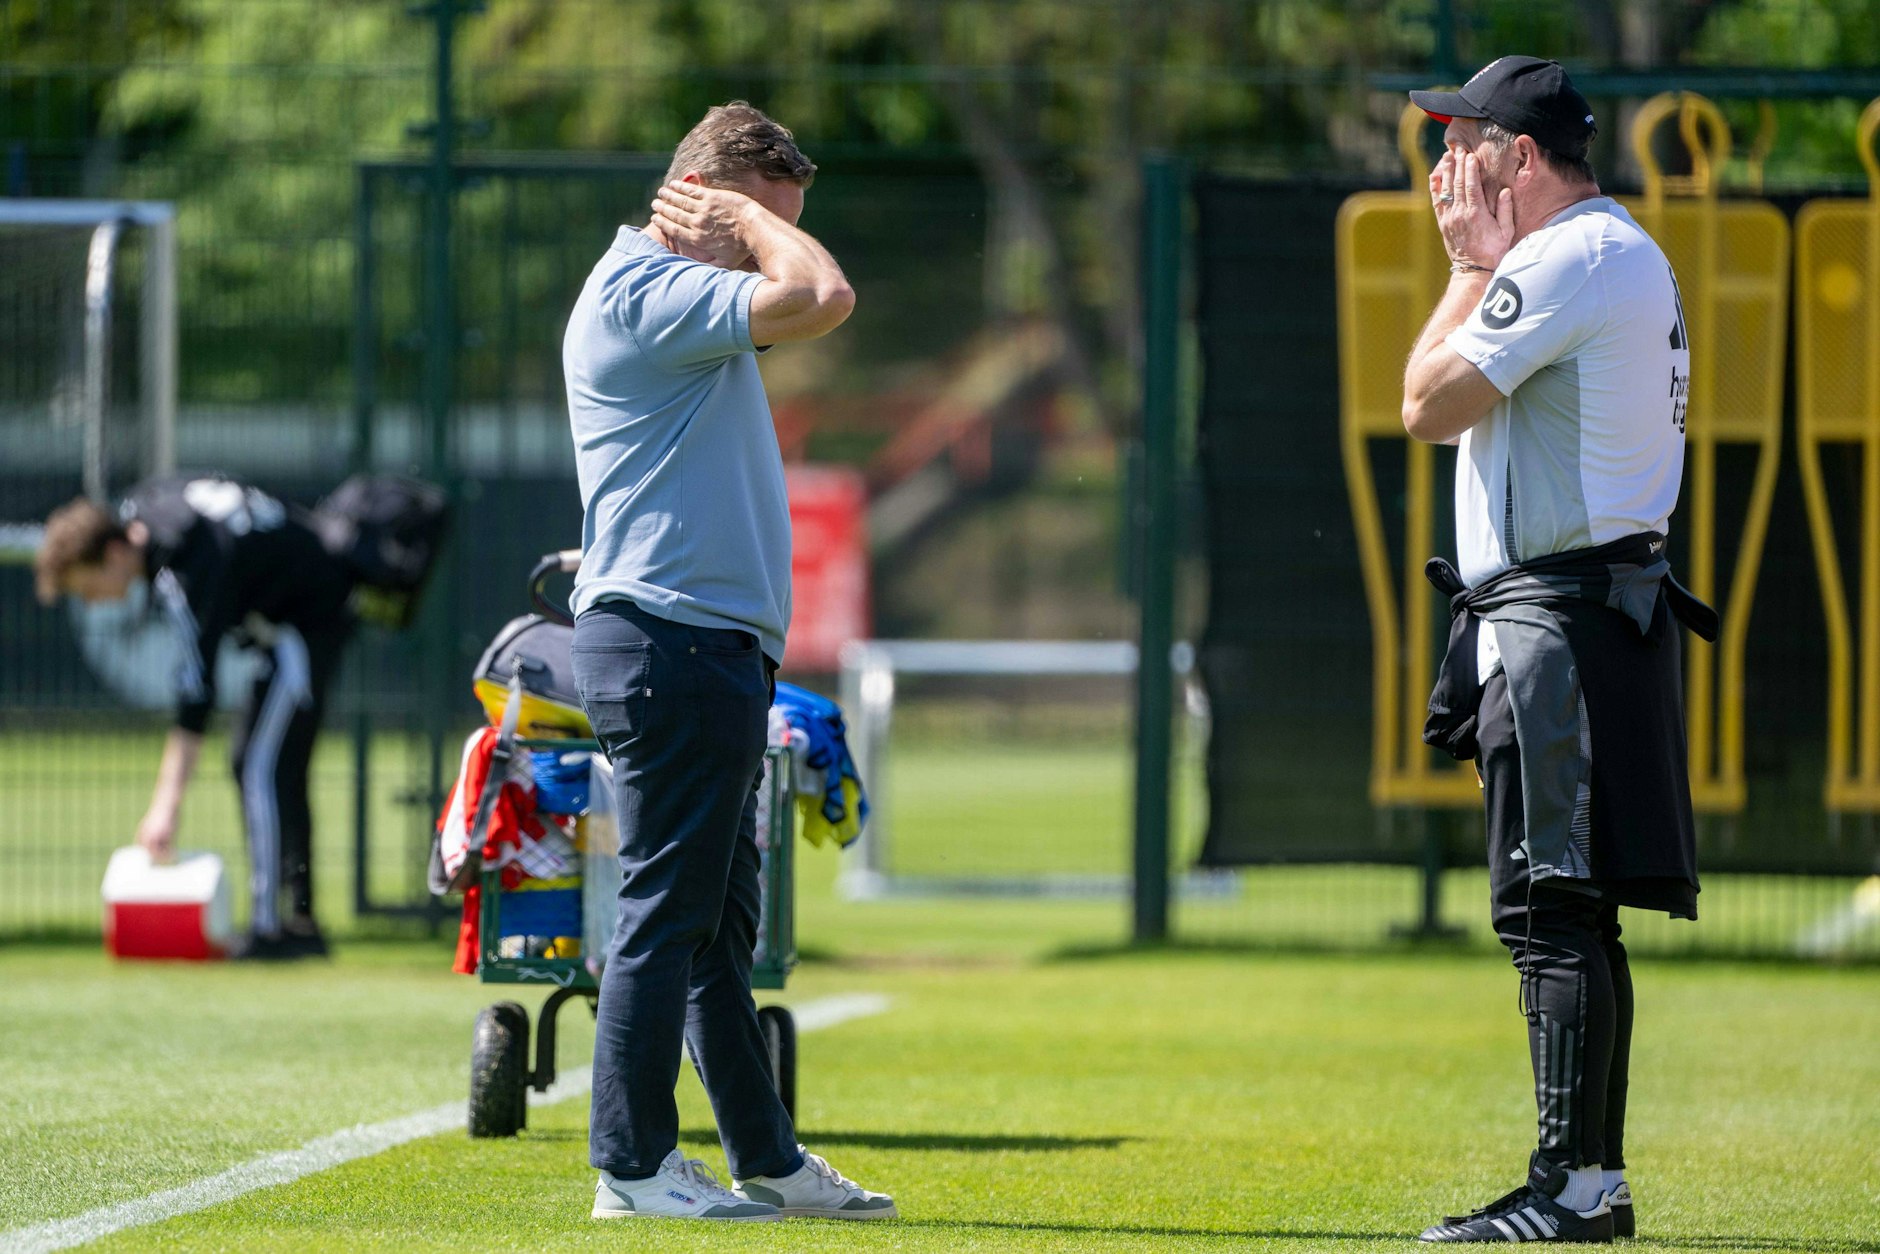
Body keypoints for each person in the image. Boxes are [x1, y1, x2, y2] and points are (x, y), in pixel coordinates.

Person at [1400, 57, 1714, 1244]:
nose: (1443, 167)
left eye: (1459, 141)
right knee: (1566, 909)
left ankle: (1570, 1189)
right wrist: (1476, 269)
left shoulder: (1566, 255)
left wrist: (1467, 268)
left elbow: (1426, 406)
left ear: (1517, 157)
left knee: (1549, 910)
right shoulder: (1605, 250)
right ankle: (1586, 1182)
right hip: (1574, 615)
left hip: (1562, 627)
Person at [562, 102, 894, 1223]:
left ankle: (768, 1159)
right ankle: (631, 1168)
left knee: (714, 934)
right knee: (668, 915)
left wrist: (747, 224)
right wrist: (750, 229)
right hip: (672, 644)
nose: (764, 248)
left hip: (703, 649)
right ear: (695, 198)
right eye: (755, 222)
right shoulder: (647, 291)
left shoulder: (676, 299)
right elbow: (825, 295)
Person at [36, 476, 357, 960]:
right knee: (271, 766)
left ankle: (274, 929)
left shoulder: (180, 567)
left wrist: (165, 808)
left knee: (259, 766)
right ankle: (298, 921)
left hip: (305, 621)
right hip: (291, 617)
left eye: (88, 587)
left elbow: (196, 692)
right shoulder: (147, 504)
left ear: (115, 555)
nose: (92, 601)